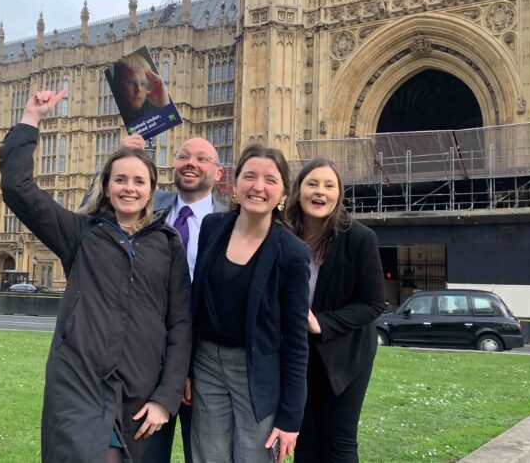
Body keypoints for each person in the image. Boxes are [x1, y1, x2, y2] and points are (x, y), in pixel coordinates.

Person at [0, 89, 192, 463]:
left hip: (139, 389)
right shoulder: (81, 234)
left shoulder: (167, 244)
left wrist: (166, 399)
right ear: (106, 185)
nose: (129, 188)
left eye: (139, 181)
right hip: (80, 383)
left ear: (153, 189)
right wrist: (31, 118)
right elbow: (17, 189)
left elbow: (181, 324)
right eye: (121, 180)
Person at [189, 143, 310, 463]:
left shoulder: (292, 252)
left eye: (270, 180)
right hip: (206, 363)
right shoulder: (212, 228)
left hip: (257, 370)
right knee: (208, 457)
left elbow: (297, 342)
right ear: (235, 183)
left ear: (284, 192)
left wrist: (289, 420)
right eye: (250, 176)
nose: (258, 186)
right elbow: (196, 304)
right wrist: (185, 370)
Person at [123, 133, 225, 463]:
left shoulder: (232, 223)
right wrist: (123, 158)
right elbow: (94, 215)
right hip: (148, 365)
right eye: (183, 157)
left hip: (209, 369)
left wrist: (189, 369)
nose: (191, 164)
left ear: (218, 172)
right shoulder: (148, 209)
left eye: (202, 159)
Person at [284, 158, 386, 463]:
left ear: (339, 194)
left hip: (345, 353)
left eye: (329, 186)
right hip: (296, 351)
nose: (320, 192)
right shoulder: (283, 234)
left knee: (340, 440)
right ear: (298, 190)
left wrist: (321, 323)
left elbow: (374, 303)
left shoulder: (359, 238)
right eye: (312, 184)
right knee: (304, 440)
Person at [109, 52, 170, 124]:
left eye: (143, 83)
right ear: (117, 85)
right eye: (130, 82)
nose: (138, 89)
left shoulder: (153, 109)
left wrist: (164, 104)